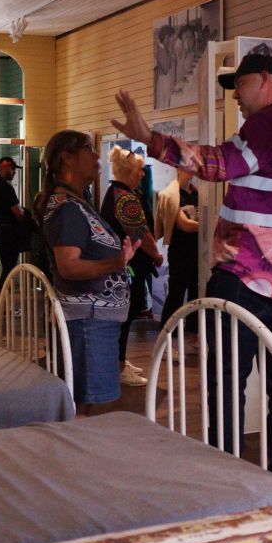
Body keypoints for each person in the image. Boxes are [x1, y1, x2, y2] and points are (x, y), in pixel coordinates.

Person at [112, 53, 272, 478]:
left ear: (265, 79)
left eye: (240, 87)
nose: (237, 100)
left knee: (227, 384)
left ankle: (227, 479)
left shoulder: (268, 123)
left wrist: (151, 139)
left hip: (245, 277)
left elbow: (217, 165)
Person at [34, 131, 139, 413]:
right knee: (82, 406)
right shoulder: (67, 208)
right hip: (87, 321)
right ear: (67, 158)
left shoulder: (76, 203)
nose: (96, 156)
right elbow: (69, 266)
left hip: (92, 320)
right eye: (88, 149)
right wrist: (115, 264)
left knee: (85, 404)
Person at [100, 147, 163, 387]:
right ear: (128, 171)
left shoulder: (116, 192)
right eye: (139, 170)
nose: (143, 174)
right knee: (127, 313)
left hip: (126, 264)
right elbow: (141, 233)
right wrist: (156, 255)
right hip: (129, 265)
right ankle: (117, 365)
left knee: (127, 313)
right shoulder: (125, 197)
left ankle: (120, 361)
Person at [156, 169, 199, 329]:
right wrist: (207, 225)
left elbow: (195, 220)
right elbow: (184, 225)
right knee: (177, 293)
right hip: (180, 250)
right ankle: (167, 333)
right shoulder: (171, 195)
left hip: (197, 250)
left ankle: (194, 333)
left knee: (196, 292)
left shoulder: (196, 193)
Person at [0, 156, 30, 291]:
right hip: (8, 233)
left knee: (8, 267)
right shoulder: (5, 187)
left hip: (2, 231)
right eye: (12, 169)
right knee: (9, 269)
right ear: (4, 168)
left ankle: (6, 305)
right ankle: (6, 305)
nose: (14, 172)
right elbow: (17, 212)